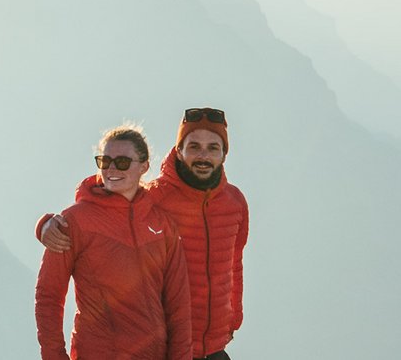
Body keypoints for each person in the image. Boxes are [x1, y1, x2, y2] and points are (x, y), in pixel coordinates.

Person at [40, 108, 248, 360]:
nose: (203, 155)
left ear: (224, 153)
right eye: (193, 146)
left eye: (213, 147)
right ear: (179, 151)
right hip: (161, 348)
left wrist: (233, 318)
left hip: (214, 347)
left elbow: (234, 264)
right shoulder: (154, 200)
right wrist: (48, 224)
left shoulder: (234, 202)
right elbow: (112, 194)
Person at [34, 125, 194, 360]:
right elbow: (48, 296)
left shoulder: (162, 225)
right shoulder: (74, 221)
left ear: (144, 167)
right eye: (104, 161)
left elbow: (178, 305)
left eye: (122, 162)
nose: (111, 169)